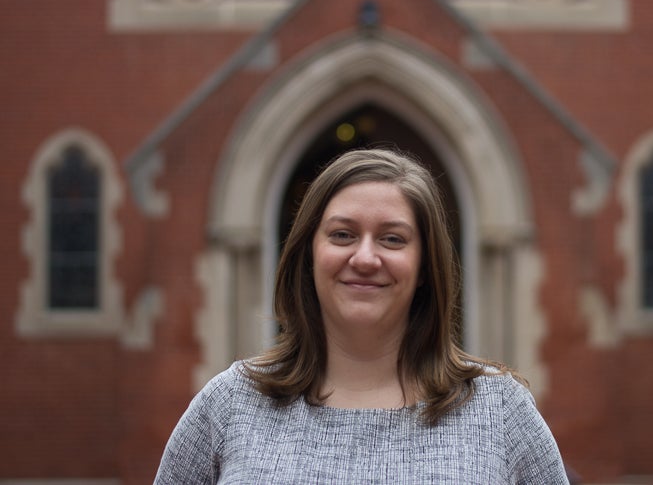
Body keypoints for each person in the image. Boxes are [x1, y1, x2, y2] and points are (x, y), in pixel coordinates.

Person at [155, 148, 570, 484]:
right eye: (342, 235)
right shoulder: (230, 403)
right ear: (309, 255)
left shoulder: (499, 410)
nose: (365, 257)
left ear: (426, 266)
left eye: (392, 239)